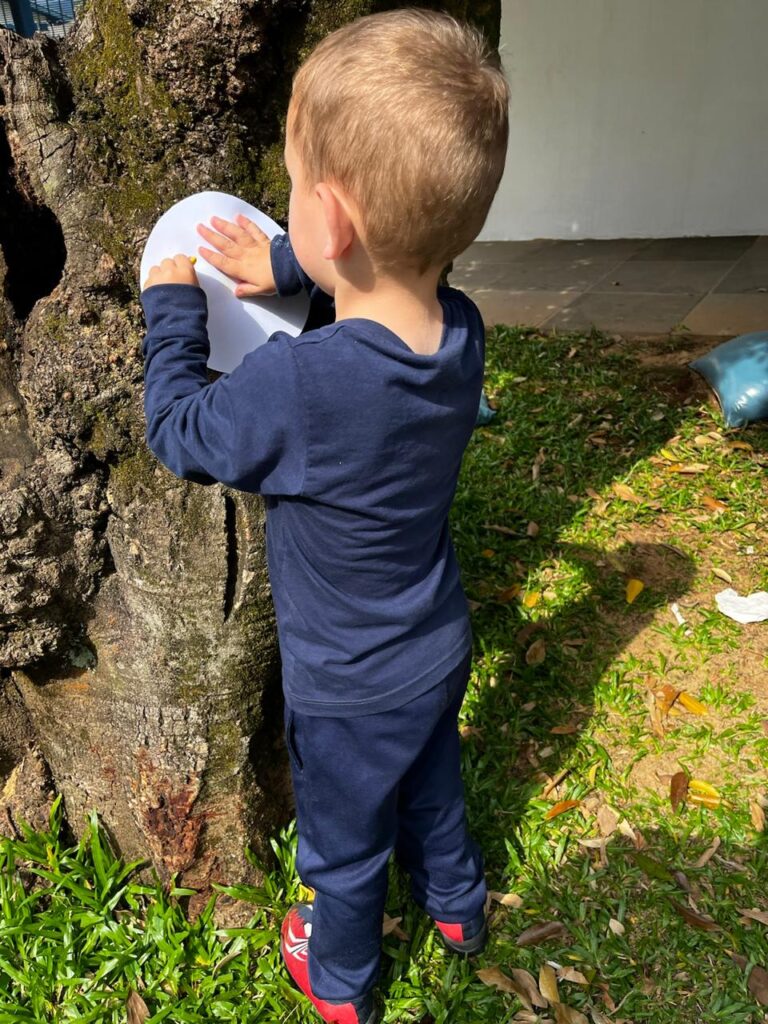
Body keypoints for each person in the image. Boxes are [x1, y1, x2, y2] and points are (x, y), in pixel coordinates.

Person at [140, 9, 509, 1023]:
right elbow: (382, 261)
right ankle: (458, 907)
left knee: (344, 850)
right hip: (435, 642)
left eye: (296, 184)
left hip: (347, 688)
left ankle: (340, 980)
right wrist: (294, 266)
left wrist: (172, 308)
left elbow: (179, 430)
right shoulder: (461, 333)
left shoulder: (300, 384)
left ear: (333, 220)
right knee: (432, 786)